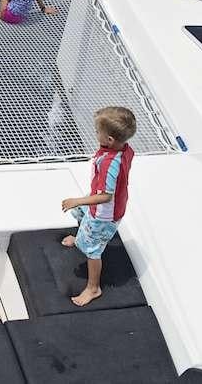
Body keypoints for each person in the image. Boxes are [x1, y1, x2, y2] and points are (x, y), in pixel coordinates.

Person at [60, 106, 137, 307]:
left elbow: (105, 196)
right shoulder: (125, 149)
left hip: (104, 212)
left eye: (97, 132)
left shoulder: (110, 163)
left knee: (92, 249)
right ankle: (80, 236)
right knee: (80, 214)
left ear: (110, 140)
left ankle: (93, 288)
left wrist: (76, 200)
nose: (95, 134)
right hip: (102, 203)